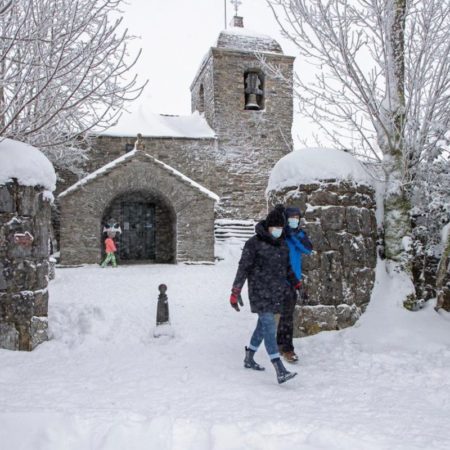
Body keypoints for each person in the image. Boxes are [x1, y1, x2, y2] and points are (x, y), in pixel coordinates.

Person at [229, 205, 301, 384]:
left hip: (276, 291)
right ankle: (279, 368)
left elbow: (287, 268)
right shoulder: (253, 244)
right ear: (268, 227)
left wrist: (297, 284)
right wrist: (235, 291)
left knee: (262, 326)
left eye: (281, 228)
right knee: (269, 325)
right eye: (275, 227)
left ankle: (249, 357)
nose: (278, 231)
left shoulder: (282, 244)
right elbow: (243, 268)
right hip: (259, 292)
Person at [277, 207, 313, 363]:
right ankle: (260, 347)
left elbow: (308, 249)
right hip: (277, 280)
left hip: (293, 282)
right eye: (291, 217)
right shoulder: (279, 234)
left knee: (287, 316)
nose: (294, 219)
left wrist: (294, 236)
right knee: (269, 315)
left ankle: (287, 348)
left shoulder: (299, 234)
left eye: (297, 217)